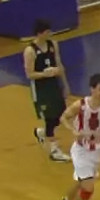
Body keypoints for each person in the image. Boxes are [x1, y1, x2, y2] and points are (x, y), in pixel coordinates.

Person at [27, 19, 72, 162]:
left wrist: (65, 84)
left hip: (54, 85)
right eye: (47, 32)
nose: (50, 34)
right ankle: (54, 150)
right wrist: (44, 74)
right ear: (39, 33)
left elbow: (59, 64)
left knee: (60, 116)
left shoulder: (53, 44)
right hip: (41, 89)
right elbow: (29, 74)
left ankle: (42, 133)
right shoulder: (30, 51)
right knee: (49, 117)